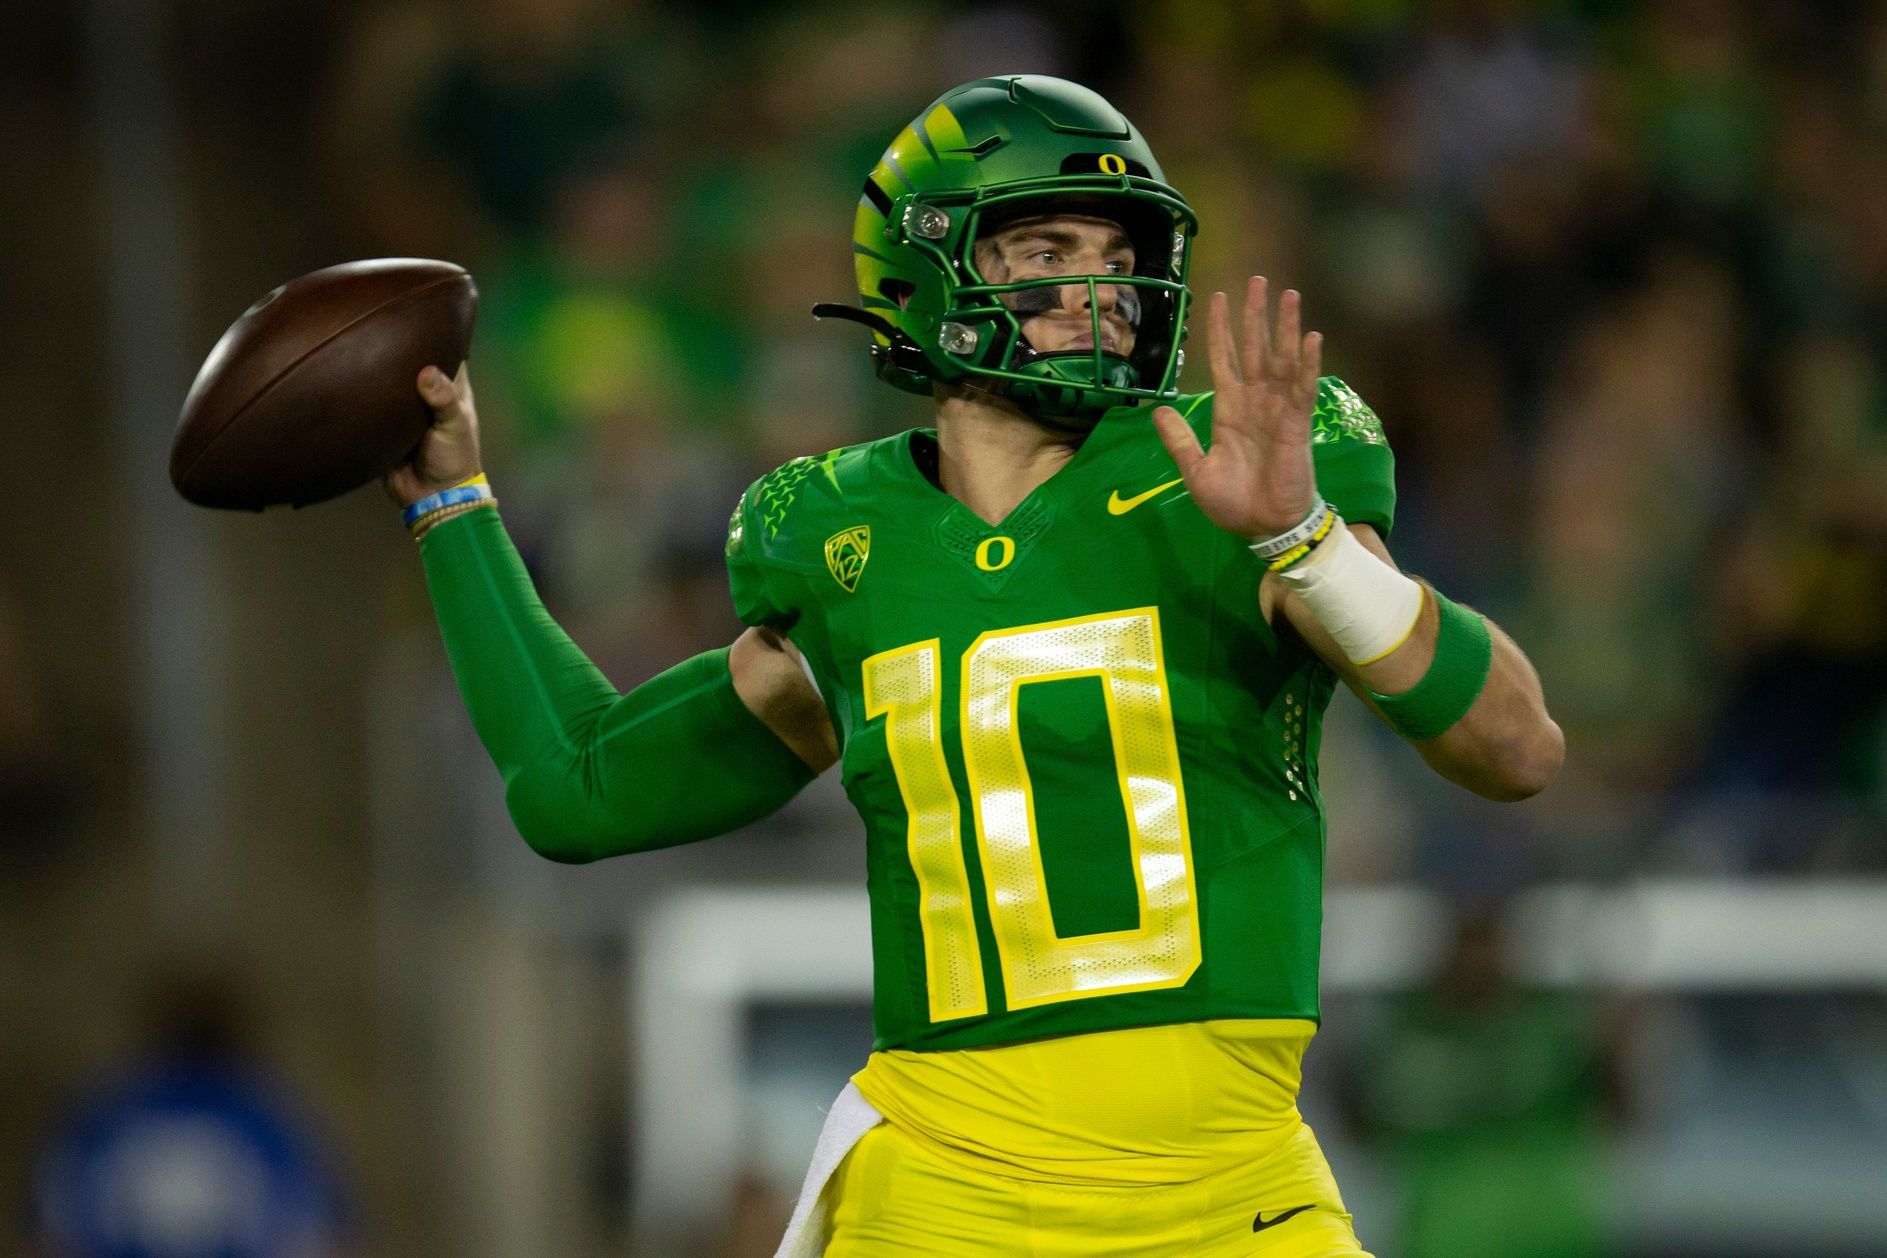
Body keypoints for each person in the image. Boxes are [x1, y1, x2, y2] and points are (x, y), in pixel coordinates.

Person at [389, 75, 1562, 1258]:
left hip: (1233, 1194)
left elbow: (1517, 749)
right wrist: (453, 501)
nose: (1103, 288)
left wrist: (1305, 542)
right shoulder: (842, 543)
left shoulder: (1231, 472)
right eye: (1047, 245)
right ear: (925, 274)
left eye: (1119, 249)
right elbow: (576, 784)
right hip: (944, 1201)